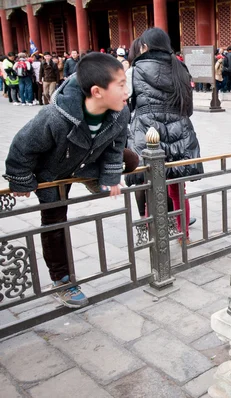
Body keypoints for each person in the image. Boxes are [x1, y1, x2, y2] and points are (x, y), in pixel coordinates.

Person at [3, 53, 130, 308]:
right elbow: (22, 147)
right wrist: (22, 180)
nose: (127, 91)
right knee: (54, 221)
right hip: (53, 172)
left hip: (87, 161)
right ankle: (62, 280)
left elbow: (116, 147)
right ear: (97, 91)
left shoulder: (121, 113)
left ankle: (92, 179)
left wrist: (109, 177)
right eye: (121, 85)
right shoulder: (55, 117)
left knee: (133, 158)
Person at [127, 28, 203, 243]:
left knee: (150, 185)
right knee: (177, 188)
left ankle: (154, 237)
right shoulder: (180, 67)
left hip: (147, 131)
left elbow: (129, 104)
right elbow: (188, 109)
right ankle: (183, 236)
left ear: (144, 46)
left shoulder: (135, 68)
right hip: (180, 132)